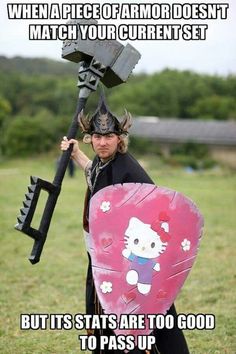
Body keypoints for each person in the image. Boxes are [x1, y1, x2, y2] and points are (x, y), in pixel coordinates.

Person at [61, 96, 189, 354]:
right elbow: (95, 177)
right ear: (90, 138)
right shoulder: (103, 161)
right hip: (105, 257)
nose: (102, 142)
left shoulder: (129, 169)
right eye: (97, 137)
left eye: (108, 137)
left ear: (119, 138)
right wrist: (76, 154)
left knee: (145, 317)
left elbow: (156, 210)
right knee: (108, 314)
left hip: (131, 261)